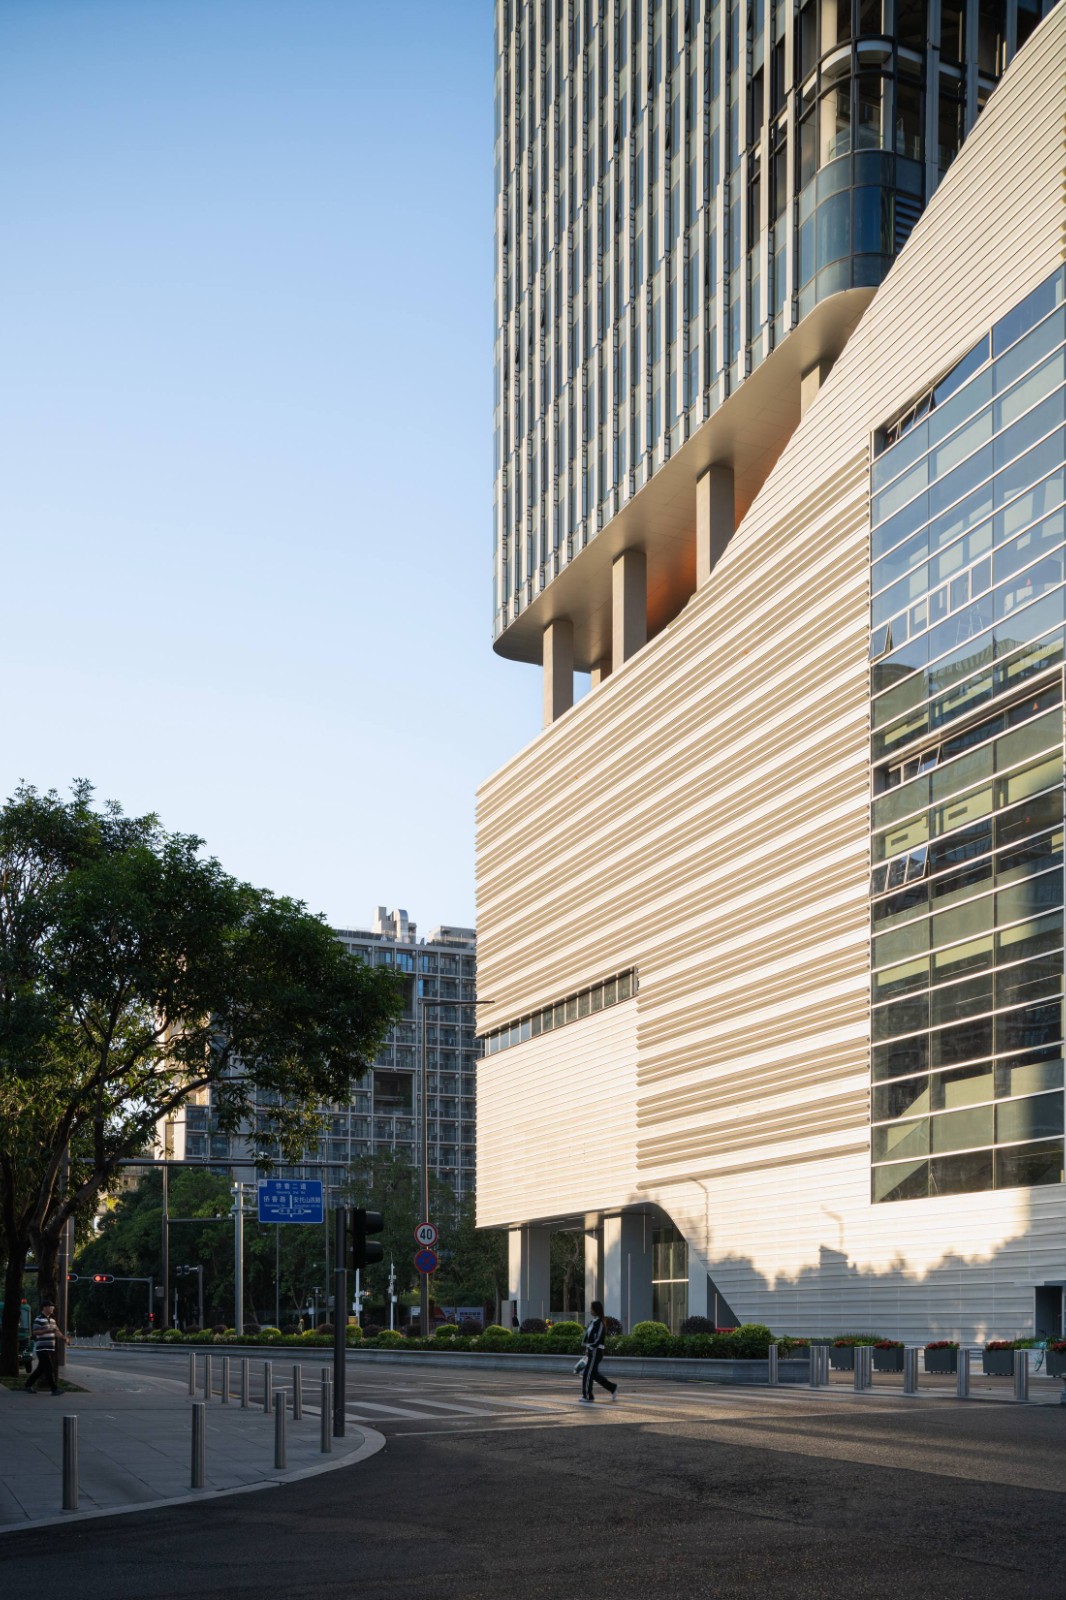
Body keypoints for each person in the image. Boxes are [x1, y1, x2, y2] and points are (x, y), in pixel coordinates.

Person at [579, 1300, 618, 1404]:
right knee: (594, 1374)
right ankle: (612, 1387)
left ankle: (588, 1396)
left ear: (596, 1310)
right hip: (591, 1351)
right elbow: (588, 1336)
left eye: (592, 1308)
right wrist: (586, 1347)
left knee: (587, 1373)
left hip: (596, 1351)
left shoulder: (600, 1322)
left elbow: (599, 1338)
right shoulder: (593, 1322)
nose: (590, 1310)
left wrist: (590, 1346)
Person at [25, 1300, 67, 1395]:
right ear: (44, 1307)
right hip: (42, 1349)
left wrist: (63, 1338)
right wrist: (47, 1331)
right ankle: (54, 1389)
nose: (52, 1308)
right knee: (49, 1369)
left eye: (53, 1307)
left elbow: (57, 1331)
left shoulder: (52, 1320)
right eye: (50, 1306)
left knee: (40, 1370)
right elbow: (35, 1332)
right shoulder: (38, 1319)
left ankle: (27, 1385)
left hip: (49, 1349)